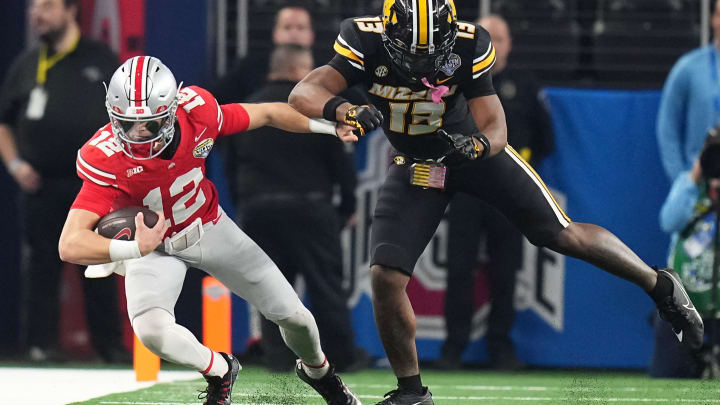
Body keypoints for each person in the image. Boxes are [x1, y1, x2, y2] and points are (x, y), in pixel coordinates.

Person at [288, 1, 704, 403]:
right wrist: (342, 109)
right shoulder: (363, 38)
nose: (423, 63)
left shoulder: (471, 43)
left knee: (560, 233)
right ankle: (412, 392)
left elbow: (496, 126)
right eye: (412, 52)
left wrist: (477, 146)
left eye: (433, 52)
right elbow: (304, 92)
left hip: (470, 152)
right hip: (416, 164)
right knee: (384, 275)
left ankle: (660, 286)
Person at [57, 55, 361, 405]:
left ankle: (319, 373)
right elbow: (70, 243)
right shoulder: (106, 156)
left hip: (208, 228)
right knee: (151, 330)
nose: (138, 136)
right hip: (154, 248)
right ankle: (219, 370)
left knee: (297, 319)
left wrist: (328, 127)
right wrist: (132, 249)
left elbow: (269, 113)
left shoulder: (198, 113)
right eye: (126, 125)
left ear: (171, 112)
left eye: (151, 126)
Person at [0, 0, 127, 363]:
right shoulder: (26, 64)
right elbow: (3, 122)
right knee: (40, 265)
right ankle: (40, 346)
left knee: (100, 263)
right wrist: (15, 165)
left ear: (71, 11)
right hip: (40, 186)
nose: (38, 14)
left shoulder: (101, 58)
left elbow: (124, 116)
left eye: (47, 6)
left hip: (92, 186)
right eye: (34, 7)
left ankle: (110, 347)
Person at [232, 44, 368, 372]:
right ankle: (341, 357)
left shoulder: (249, 106)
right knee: (325, 287)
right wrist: (346, 205)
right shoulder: (318, 110)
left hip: (259, 209)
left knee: (270, 288)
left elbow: (232, 163)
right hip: (311, 209)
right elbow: (341, 161)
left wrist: (245, 205)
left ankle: (278, 358)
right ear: (300, 74)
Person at [438, 14, 555, 371]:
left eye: (499, 38)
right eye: (486, 37)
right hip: (465, 190)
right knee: (459, 269)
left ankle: (501, 348)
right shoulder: (452, 83)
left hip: (507, 191)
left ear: (509, 45)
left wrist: (520, 167)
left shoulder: (525, 83)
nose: (493, 44)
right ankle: (453, 348)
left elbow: (545, 139)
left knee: (506, 271)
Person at [650, 131, 720, 378]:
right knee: (666, 378)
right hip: (684, 306)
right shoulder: (688, 184)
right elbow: (669, 221)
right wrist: (694, 178)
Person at [657, 0, 720, 181]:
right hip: (700, 182)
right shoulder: (688, 67)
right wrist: (683, 180)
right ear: (713, 19)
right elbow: (667, 127)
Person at [211, 4, 315, 105]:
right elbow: (217, 97)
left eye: (301, 28)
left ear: (311, 34)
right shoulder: (249, 67)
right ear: (275, 33)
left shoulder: (325, 68)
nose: (294, 33)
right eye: (287, 27)